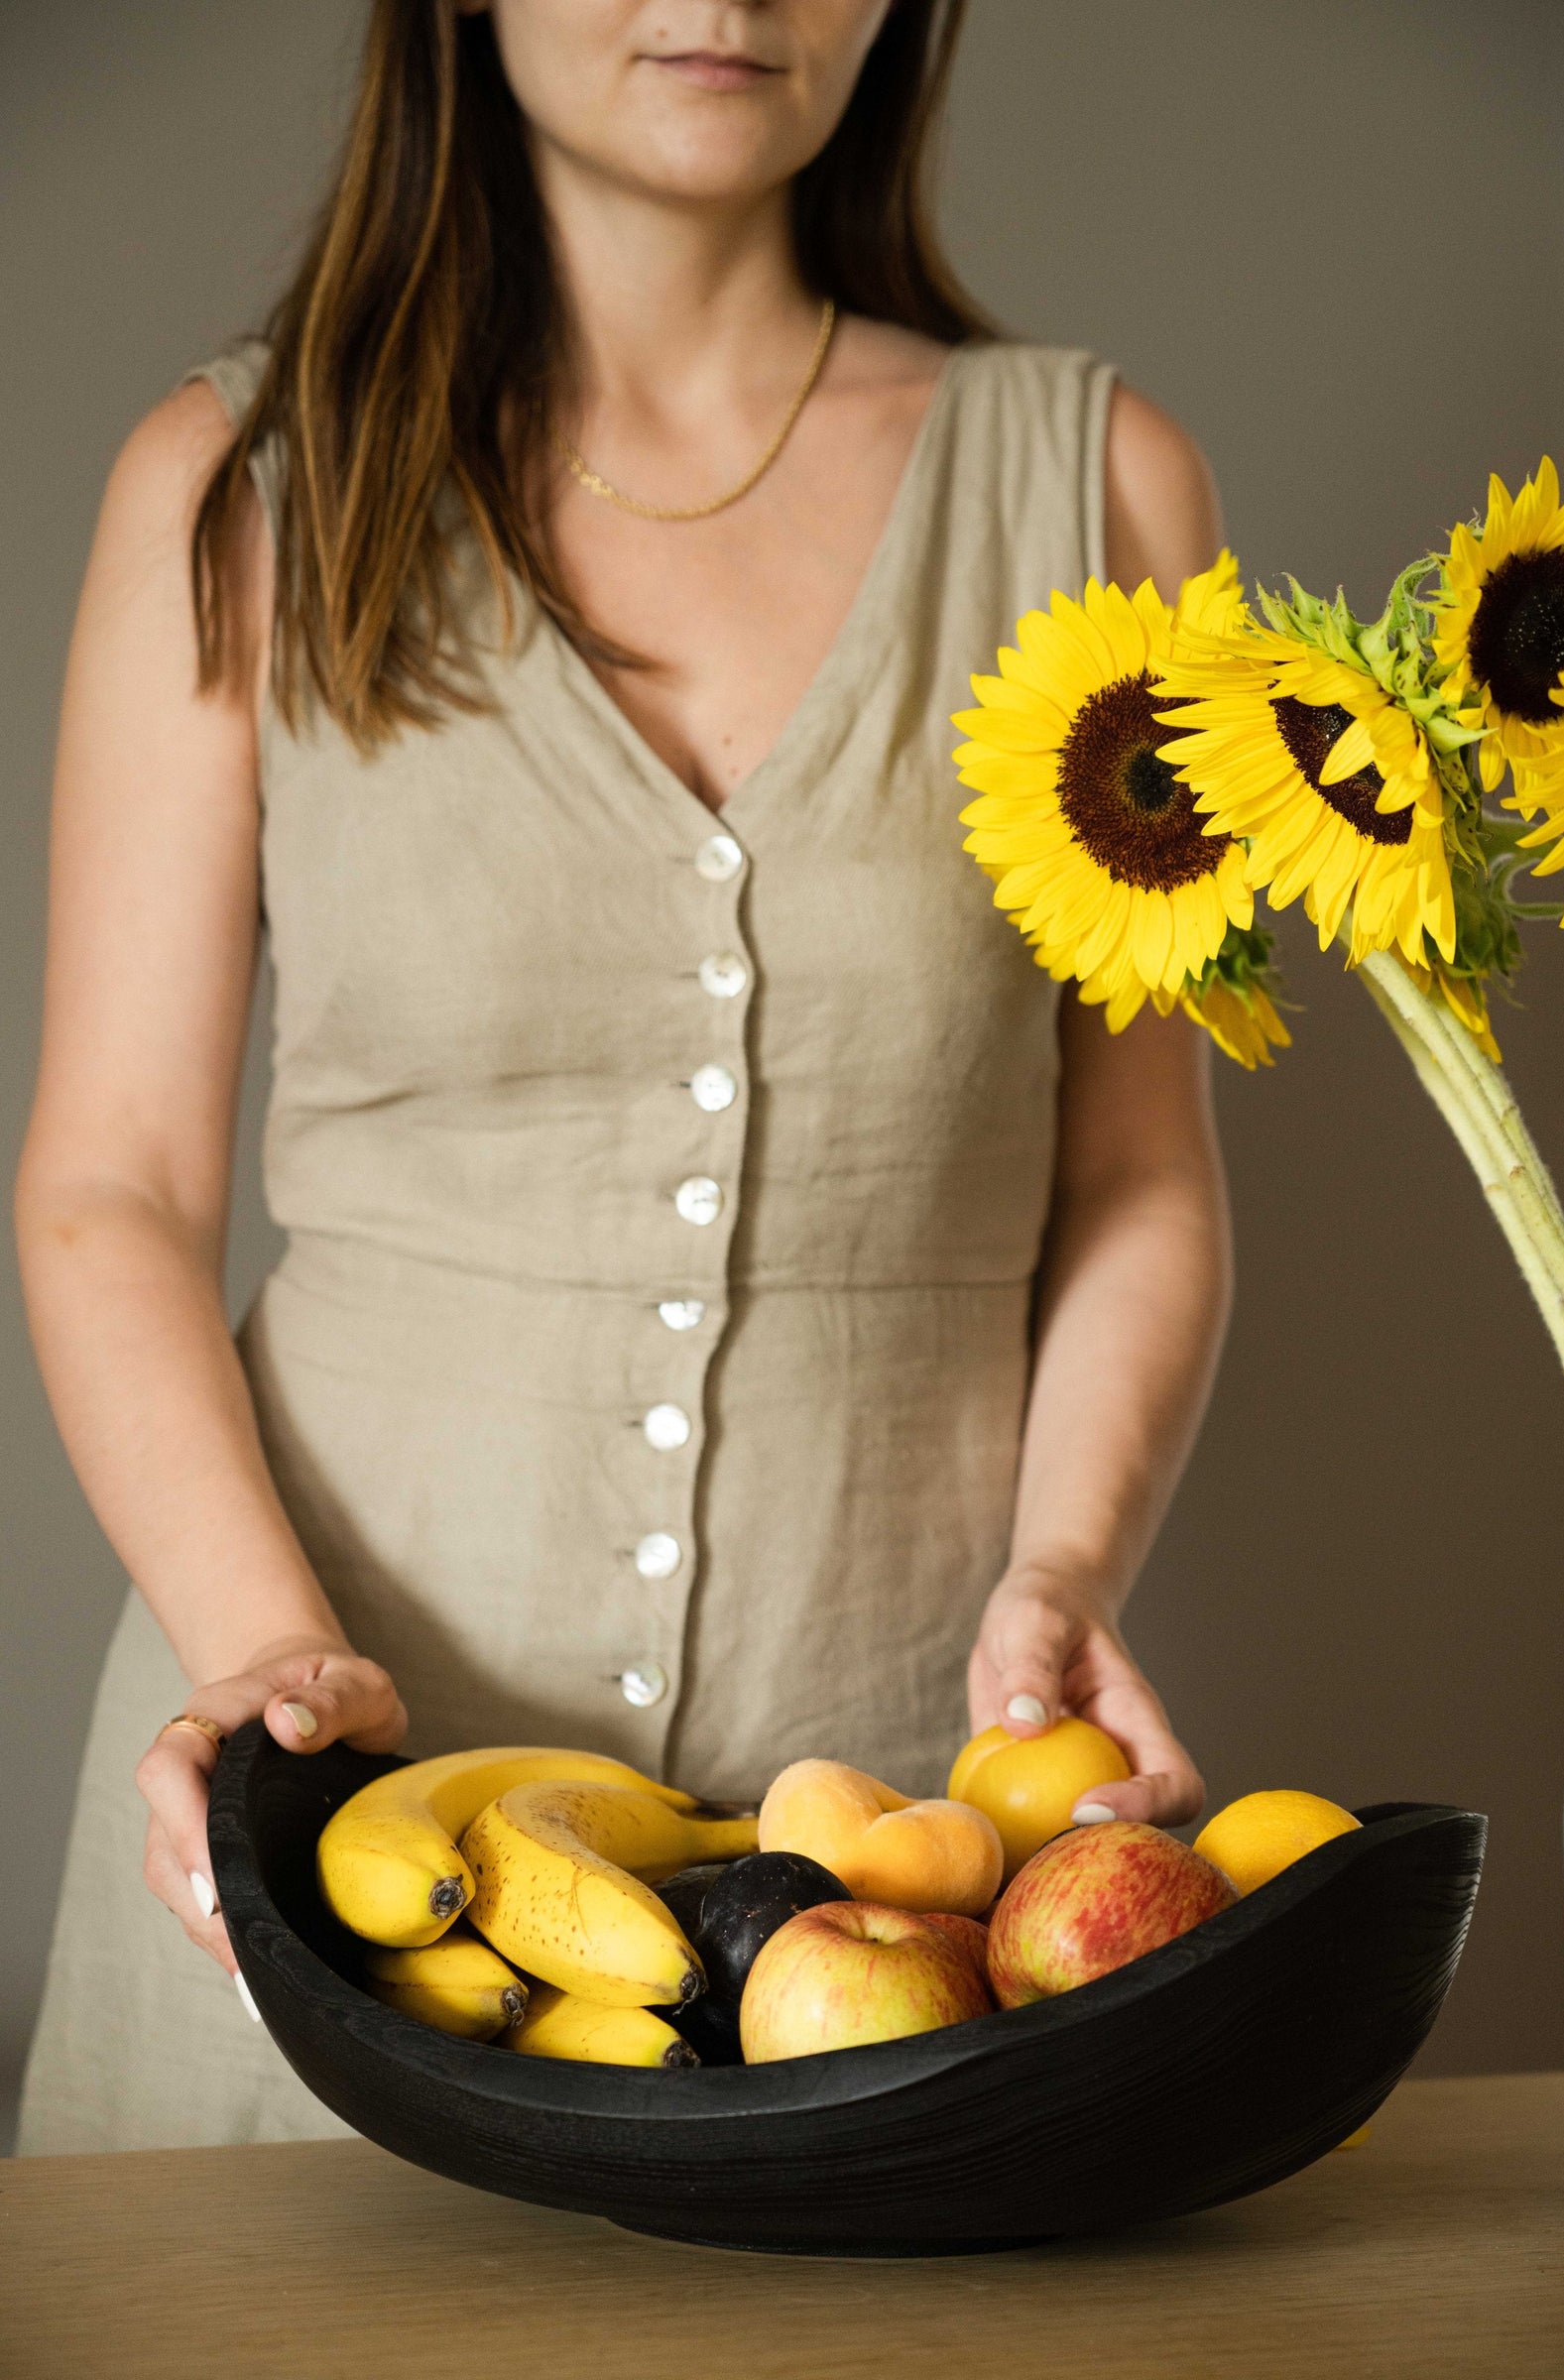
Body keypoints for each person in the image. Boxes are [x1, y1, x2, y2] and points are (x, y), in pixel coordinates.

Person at [16, 0, 1230, 2154]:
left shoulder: (1103, 490)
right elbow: (112, 1182)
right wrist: (267, 1664)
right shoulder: (238, 489)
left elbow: (1136, 1174)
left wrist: (1066, 1569)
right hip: (318, 1855)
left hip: (904, 1880)